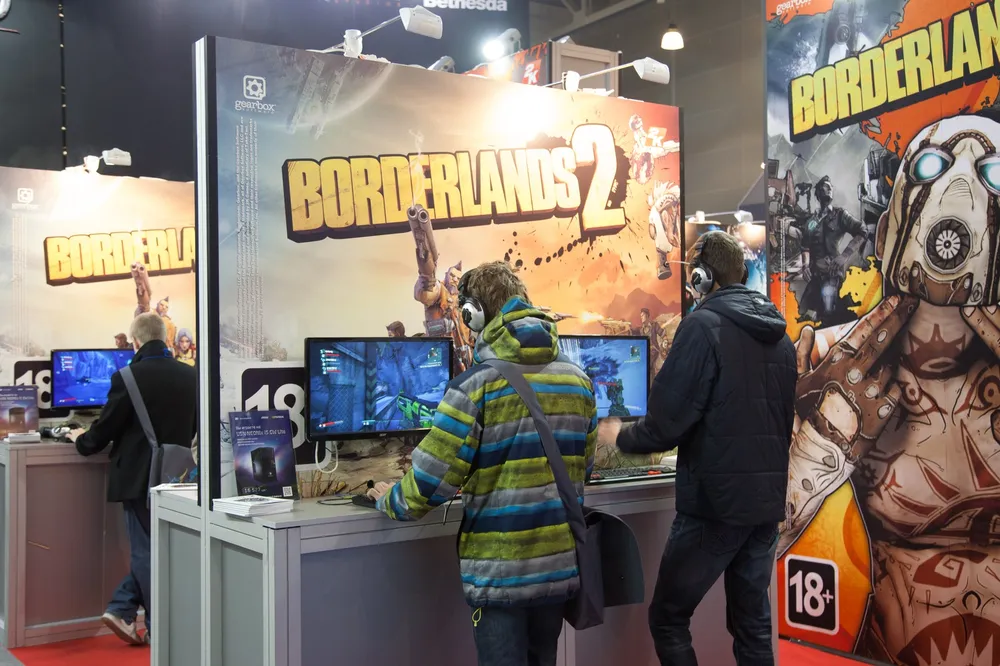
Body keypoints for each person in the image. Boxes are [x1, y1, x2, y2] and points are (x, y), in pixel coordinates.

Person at [368, 260, 598, 666]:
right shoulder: (578, 381)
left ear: (473, 315)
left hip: (501, 575)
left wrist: (388, 498)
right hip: (557, 571)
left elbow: (429, 484)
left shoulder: (476, 386)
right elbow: (584, 469)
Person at [600, 231, 797, 666]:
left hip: (715, 506)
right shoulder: (781, 338)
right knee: (752, 626)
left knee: (668, 618)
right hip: (765, 508)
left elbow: (665, 425)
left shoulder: (702, 327)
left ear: (703, 278)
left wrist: (617, 436)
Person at [69, 313, 197, 646]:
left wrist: (80, 440)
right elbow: (196, 425)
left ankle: (153, 625)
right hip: (179, 475)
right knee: (164, 548)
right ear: (166, 339)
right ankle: (124, 608)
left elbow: (105, 429)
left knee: (144, 551)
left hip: (139, 476)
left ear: (135, 342)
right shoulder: (191, 375)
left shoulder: (126, 377)